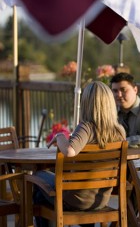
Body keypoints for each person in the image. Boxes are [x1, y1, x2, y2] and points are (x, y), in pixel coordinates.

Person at [33, 81, 126, 227]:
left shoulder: (86, 127)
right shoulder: (119, 131)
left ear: (86, 104)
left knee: (37, 177)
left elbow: (70, 151)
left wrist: (59, 137)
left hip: (76, 201)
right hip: (100, 200)